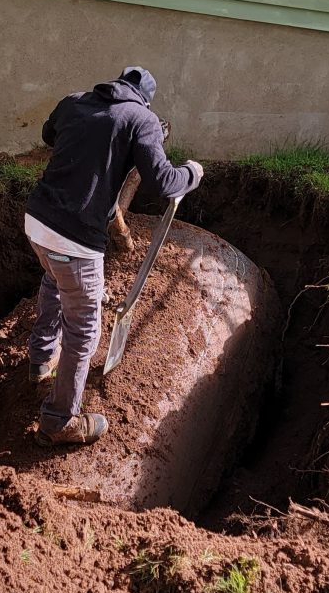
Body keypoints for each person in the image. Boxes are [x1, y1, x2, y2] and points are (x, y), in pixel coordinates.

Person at [24, 67, 204, 446]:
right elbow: (164, 183)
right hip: (75, 239)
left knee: (54, 280)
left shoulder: (75, 101)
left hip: (37, 222)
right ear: (145, 98)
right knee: (84, 328)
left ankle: (41, 359)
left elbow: (47, 134)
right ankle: (59, 422)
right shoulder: (143, 119)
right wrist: (192, 173)